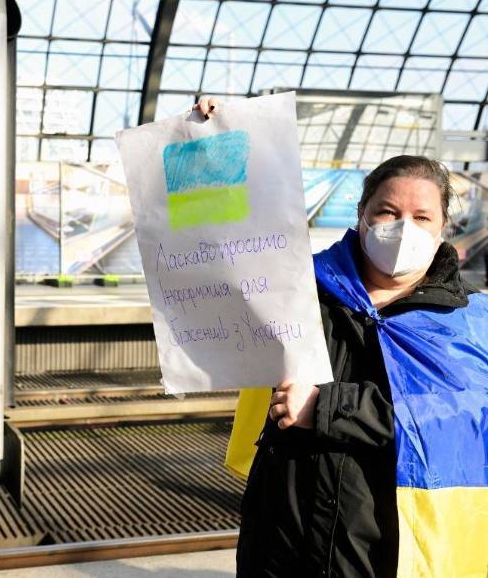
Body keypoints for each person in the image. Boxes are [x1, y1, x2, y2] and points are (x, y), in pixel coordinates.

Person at [196, 98, 487, 577]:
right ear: (362, 213)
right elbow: (227, 243)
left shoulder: (470, 318)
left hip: (386, 552)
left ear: (443, 228)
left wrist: (326, 409)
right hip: (284, 544)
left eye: (420, 217)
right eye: (387, 211)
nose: (401, 228)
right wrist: (215, 141)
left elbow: (465, 414)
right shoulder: (299, 291)